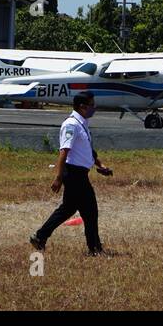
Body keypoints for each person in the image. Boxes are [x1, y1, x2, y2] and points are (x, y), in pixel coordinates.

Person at [30, 92, 112, 255]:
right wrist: (58, 178)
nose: (94, 108)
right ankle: (94, 248)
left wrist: (100, 165)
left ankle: (40, 236)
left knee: (68, 209)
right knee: (90, 210)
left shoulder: (82, 124)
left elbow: (88, 150)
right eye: (91, 105)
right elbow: (64, 152)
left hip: (79, 173)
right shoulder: (71, 125)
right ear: (82, 107)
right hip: (74, 174)